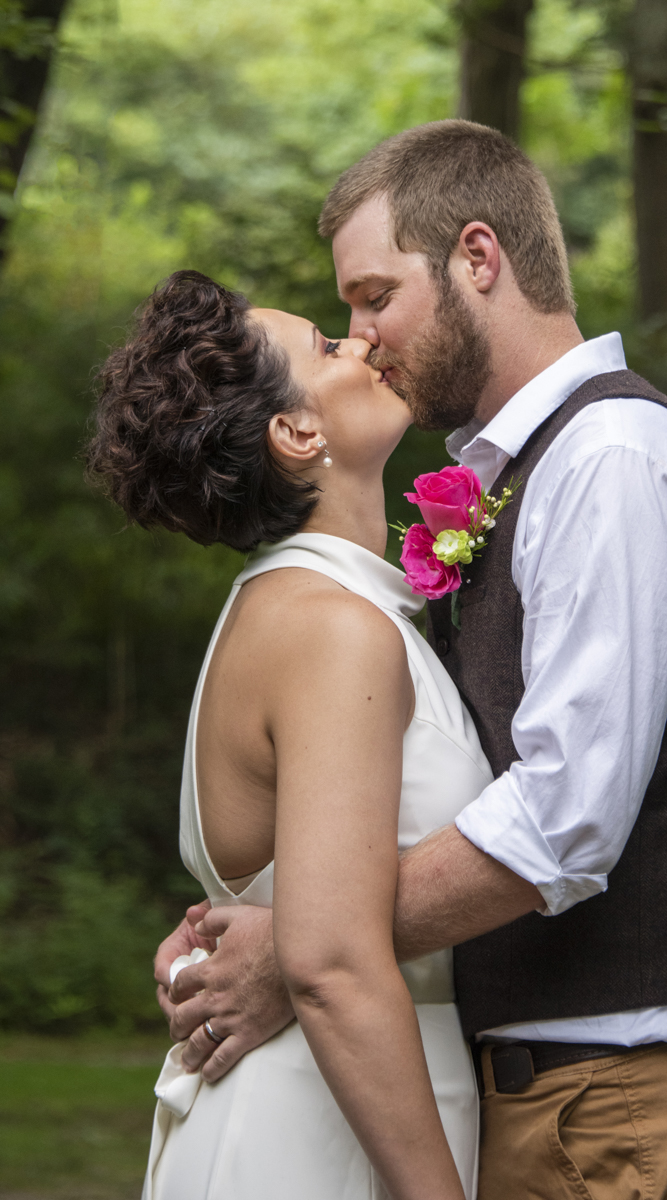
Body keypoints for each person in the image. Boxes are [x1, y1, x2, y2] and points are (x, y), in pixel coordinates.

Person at [158, 121, 667, 1199]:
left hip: (632, 1098)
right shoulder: (501, 489)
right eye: (342, 318)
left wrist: (304, 943)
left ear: (477, 258)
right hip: (552, 1099)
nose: (360, 336)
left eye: (370, 296)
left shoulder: (609, 463)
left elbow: (564, 814)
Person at [87, 268, 493, 1200]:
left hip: (339, 1104)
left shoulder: (304, 610)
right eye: (327, 344)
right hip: (327, 1134)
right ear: (297, 433)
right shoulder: (327, 629)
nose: (361, 343)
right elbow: (334, 967)